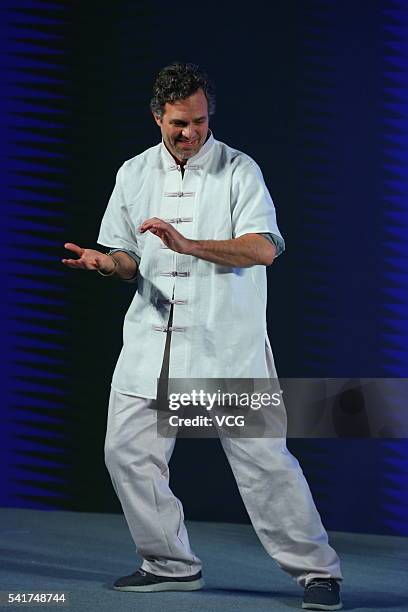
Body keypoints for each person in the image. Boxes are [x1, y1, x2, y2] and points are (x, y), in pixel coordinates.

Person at [62, 62, 343, 610]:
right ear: (156, 118)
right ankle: (168, 564)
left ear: (208, 115)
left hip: (224, 346)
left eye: (197, 121)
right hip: (150, 341)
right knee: (125, 453)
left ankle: (316, 572)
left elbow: (264, 248)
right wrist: (106, 264)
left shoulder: (239, 171)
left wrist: (190, 245)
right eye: (177, 124)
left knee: (264, 465)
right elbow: (126, 256)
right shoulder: (133, 173)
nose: (189, 133)